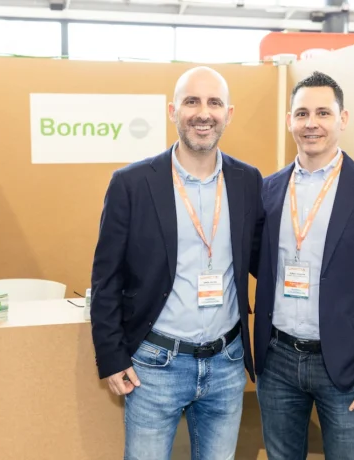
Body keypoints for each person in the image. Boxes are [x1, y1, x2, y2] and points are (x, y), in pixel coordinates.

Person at [90, 66, 265, 460]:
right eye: (191, 102)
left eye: (214, 103)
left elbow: (261, 259)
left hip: (226, 363)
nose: (203, 113)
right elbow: (106, 278)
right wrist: (111, 356)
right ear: (172, 111)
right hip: (155, 365)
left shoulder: (247, 181)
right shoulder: (132, 184)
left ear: (228, 113)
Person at [252, 71, 354, 459]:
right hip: (277, 360)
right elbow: (263, 264)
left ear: (343, 119)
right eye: (302, 113)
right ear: (289, 120)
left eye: (323, 113)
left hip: (347, 363)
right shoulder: (268, 189)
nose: (312, 123)